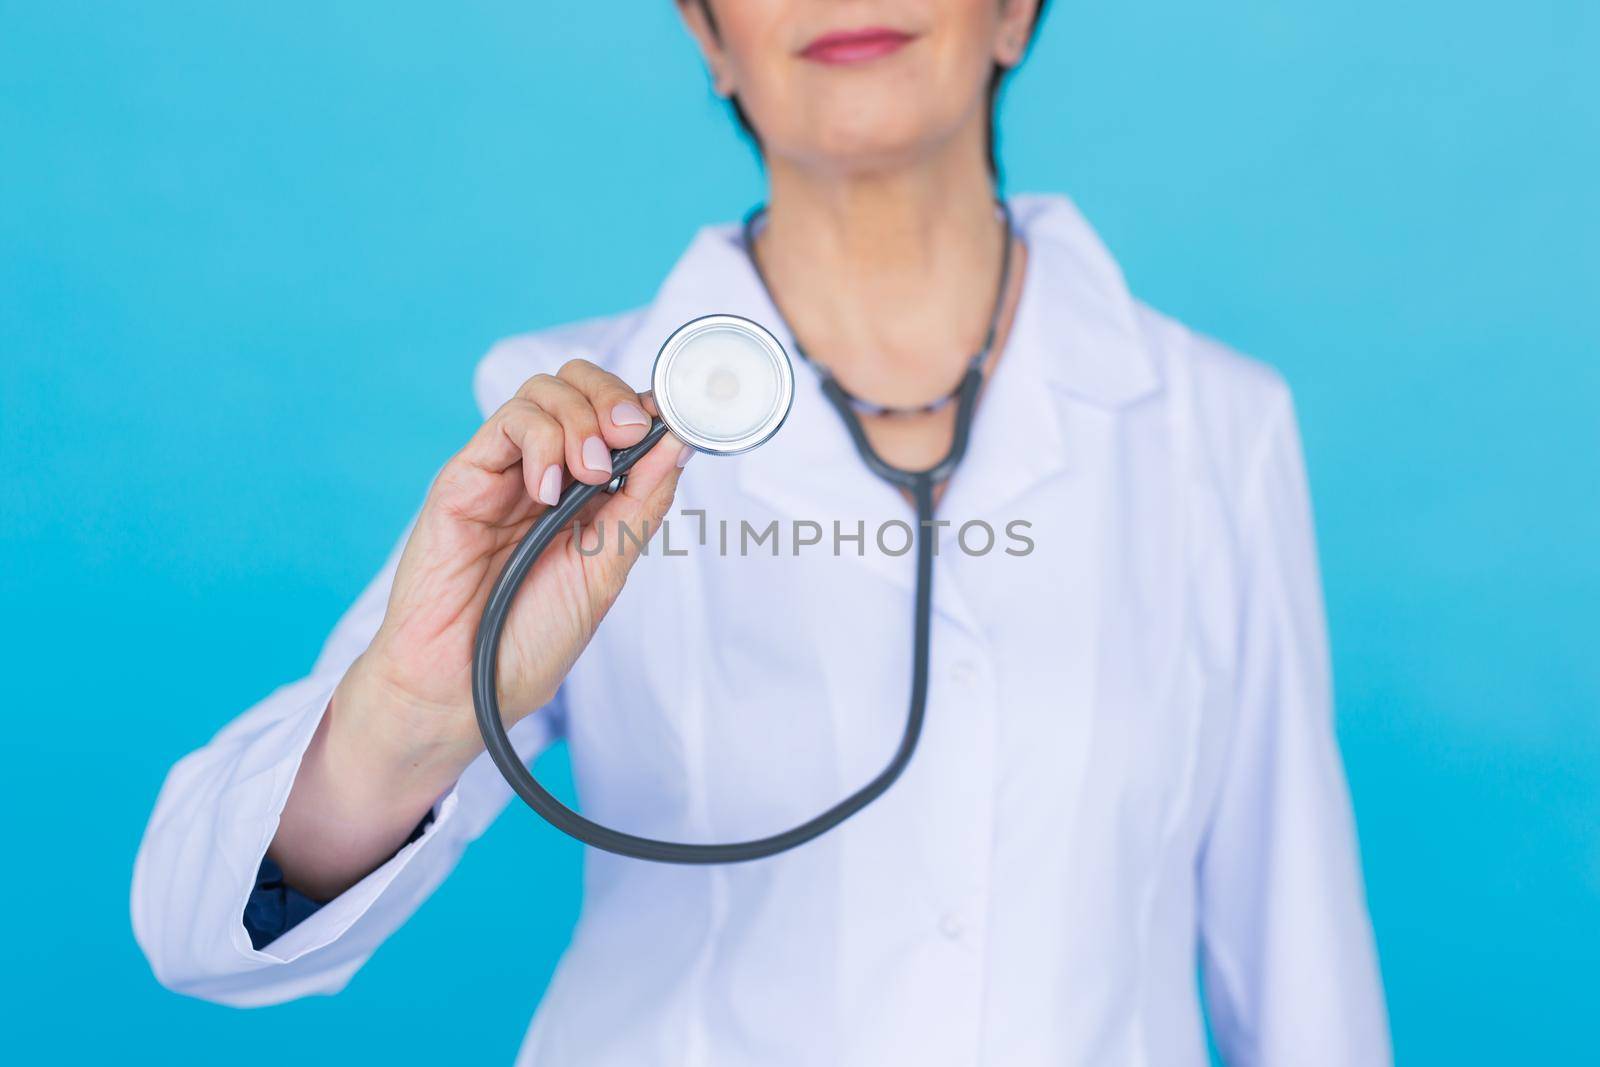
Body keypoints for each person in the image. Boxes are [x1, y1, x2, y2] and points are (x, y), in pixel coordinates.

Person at [131, 2, 1391, 1063]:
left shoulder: (1215, 423)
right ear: (706, 31)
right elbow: (199, 928)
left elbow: (1301, 957)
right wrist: (414, 711)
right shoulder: (566, 422)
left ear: (1013, 8)